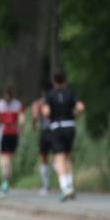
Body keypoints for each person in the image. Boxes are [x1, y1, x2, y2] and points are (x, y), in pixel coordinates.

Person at [42, 71, 85, 201]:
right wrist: (74, 115)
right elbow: (80, 107)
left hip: (56, 127)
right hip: (70, 125)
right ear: (65, 80)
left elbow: (46, 112)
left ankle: (64, 187)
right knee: (68, 156)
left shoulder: (49, 94)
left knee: (59, 158)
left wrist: (50, 116)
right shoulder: (70, 93)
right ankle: (70, 185)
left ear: (54, 81)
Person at [0, 84, 24, 195]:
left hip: (3, 132)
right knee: (10, 159)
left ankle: (5, 181)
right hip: (14, 133)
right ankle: (7, 181)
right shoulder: (18, 104)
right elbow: (22, 121)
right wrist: (20, 131)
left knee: (3, 159)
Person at [30, 89, 53, 194]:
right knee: (58, 156)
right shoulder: (55, 99)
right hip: (56, 130)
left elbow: (34, 116)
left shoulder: (39, 103)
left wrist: (34, 125)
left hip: (45, 131)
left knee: (44, 157)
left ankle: (46, 185)